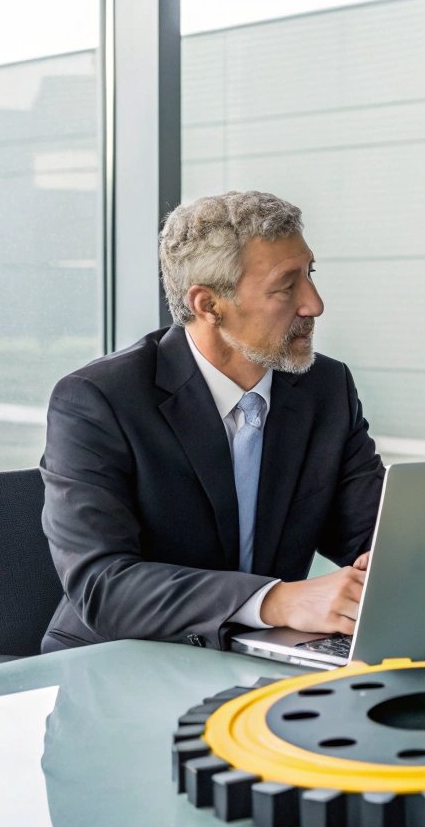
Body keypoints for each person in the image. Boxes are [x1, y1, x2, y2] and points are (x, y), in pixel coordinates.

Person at [39, 190, 384, 653]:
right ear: (208, 305)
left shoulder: (325, 388)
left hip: (265, 659)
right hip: (120, 664)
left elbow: (371, 532)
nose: (314, 304)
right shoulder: (99, 401)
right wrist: (274, 601)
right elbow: (104, 585)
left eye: (310, 275)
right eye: (287, 286)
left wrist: (395, 562)